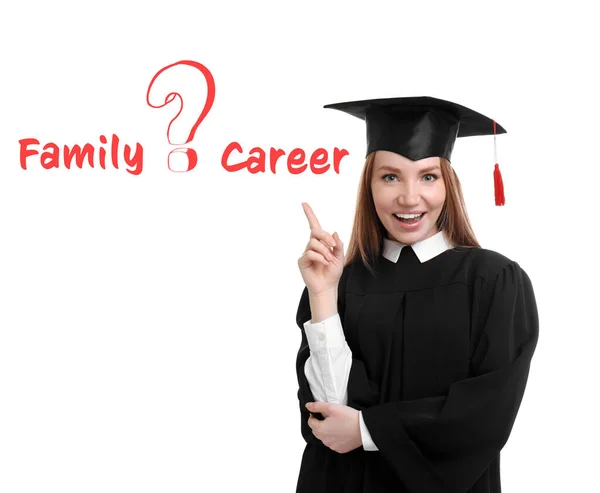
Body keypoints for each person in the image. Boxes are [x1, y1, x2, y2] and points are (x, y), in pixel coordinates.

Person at [294, 96, 539, 493]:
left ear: (449, 184)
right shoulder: (340, 282)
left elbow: (487, 412)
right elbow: (327, 411)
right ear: (369, 186)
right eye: (390, 177)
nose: (409, 198)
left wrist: (367, 428)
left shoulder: (493, 280)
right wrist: (322, 294)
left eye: (428, 176)